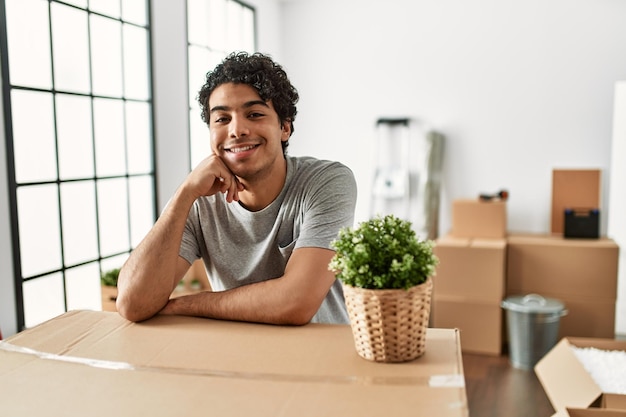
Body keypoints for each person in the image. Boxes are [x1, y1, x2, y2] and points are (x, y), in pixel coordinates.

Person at [116, 51, 357, 325]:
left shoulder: (326, 181)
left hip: (320, 361)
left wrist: (184, 305)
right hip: (236, 359)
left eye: (254, 114)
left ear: (285, 128)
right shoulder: (199, 200)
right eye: (222, 119)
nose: (237, 130)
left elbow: (295, 302)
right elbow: (132, 304)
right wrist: (184, 193)